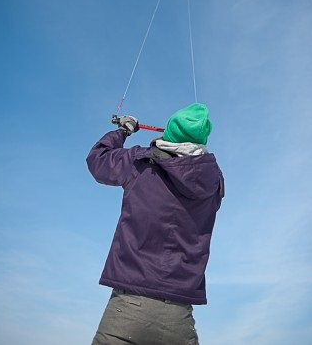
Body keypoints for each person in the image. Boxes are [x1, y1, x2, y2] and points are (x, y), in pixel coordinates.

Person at [86, 103, 225, 345]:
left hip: (127, 308)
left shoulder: (138, 161)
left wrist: (123, 131)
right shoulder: (213, 183)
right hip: (179, 315)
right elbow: (190, 167)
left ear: (169, 132)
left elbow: (98, 160)